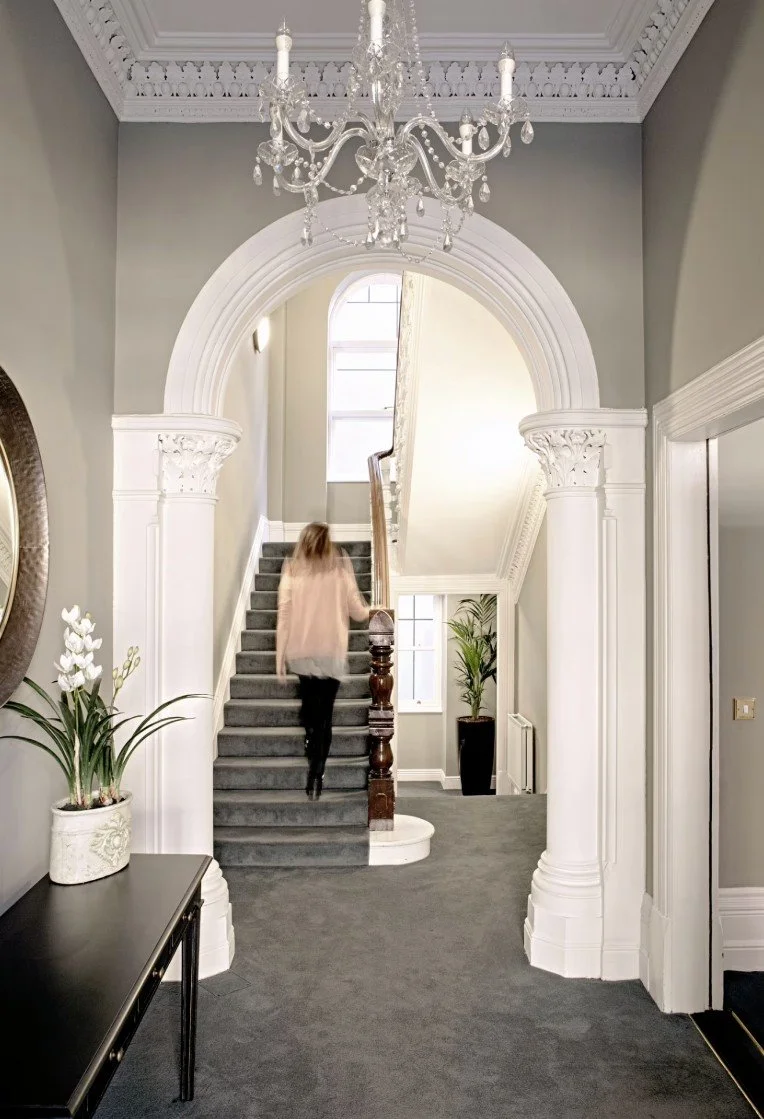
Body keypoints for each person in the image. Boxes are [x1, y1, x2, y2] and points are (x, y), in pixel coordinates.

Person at [276, 522, 370, 799]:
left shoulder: (291, 569)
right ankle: (316, 775)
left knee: (310, 711)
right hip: (331, 654)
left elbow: (283, 615)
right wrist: (371, 608)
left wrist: (279, 658)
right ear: (327, 543)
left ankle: (310, 741)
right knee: (325, 716)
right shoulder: (340, 569)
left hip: (302, 653)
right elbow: (358, 613)